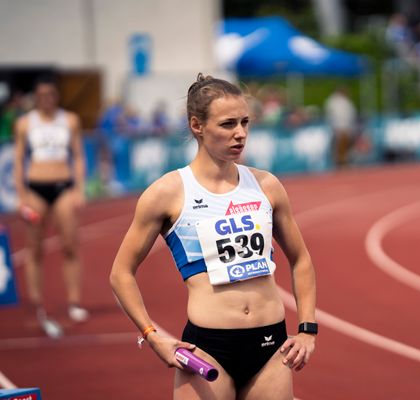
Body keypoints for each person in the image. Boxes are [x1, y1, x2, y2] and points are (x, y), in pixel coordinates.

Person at [109, 73, 317, 399]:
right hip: (209, 347)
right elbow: (120, 274)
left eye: (246, 122)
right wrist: (151, 335)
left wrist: (307, 329)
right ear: (197, 125)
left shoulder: (266, 186)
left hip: (271, 346)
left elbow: (302, 259)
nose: (241, 134)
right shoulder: (167, 193)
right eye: (228, 124)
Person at [13, 76, 88, 338]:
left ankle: (74, 301)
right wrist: (21, 195)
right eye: (42, 95)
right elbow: (19, 158)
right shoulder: (25, 123)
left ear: (57, 95)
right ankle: (35, 301)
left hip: (63, 187)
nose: (47, 99)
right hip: (36, 189)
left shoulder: (69, 120)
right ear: (36, 96)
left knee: (69, 244)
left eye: (51, 94)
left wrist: (79, 188)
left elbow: (78, 154)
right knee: (34, 249)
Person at [324, 86, 357, 168]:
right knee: (340, 144)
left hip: (347, 126)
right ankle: (340, 162)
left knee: (347, 145)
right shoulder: (333, 101)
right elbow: (331, 114)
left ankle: (344, 161)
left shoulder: (346, 101)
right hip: (338, 126)